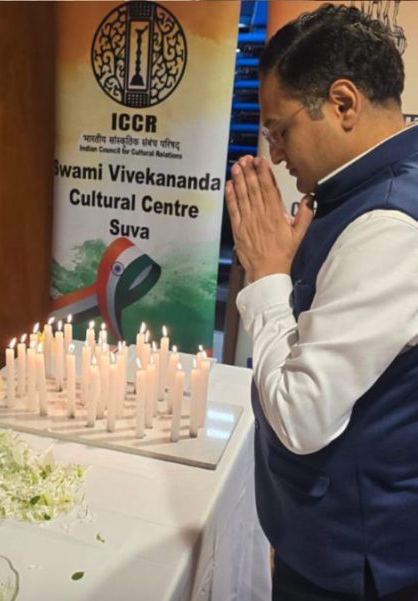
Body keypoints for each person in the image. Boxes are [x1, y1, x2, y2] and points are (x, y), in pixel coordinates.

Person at [225, 6, 418, 598]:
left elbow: (303, 416)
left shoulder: (388, 226)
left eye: (281, 130)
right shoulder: (358, 196)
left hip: (355, 565)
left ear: (342, 103)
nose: (276, 154)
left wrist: (265, 279)